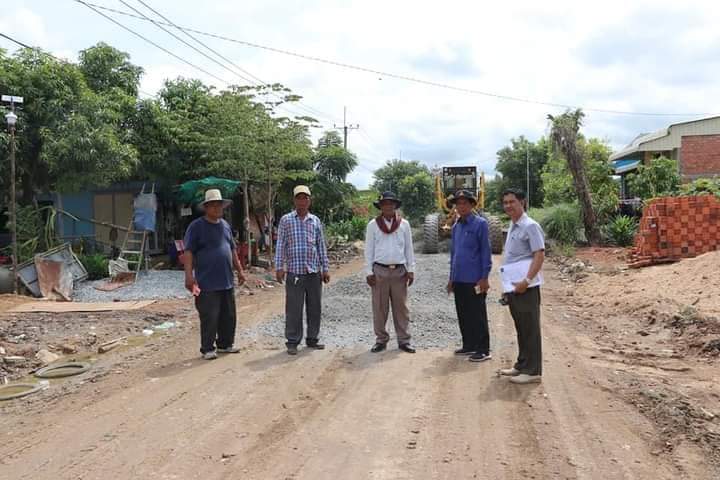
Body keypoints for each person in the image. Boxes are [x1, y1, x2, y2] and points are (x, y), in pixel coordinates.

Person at [183, 189, 246, 360]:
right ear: (206, 207)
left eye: (219, 205)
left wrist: (240, 271)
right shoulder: (196, 227)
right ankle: (207, 348)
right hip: (206, 281)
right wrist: (188, 275)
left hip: (226, 280)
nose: (217, 208)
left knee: (229, 315)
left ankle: (225, 344)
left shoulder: (225, 225)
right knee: (209, 315)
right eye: (213, 205)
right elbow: (188, 252)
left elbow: (232, 249)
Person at [274, 185, 331, 355]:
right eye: (299, 198)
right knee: (294, 309)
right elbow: (281, 244)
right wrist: (279, 267)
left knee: (314, 307)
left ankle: (312, 339)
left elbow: (320, 246)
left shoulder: (315, 221)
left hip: (313, 272)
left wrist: (325, 268)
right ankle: (292, 341)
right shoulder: (286, 220)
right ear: (294, 200)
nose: (302, 201)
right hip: (294, 272)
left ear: (309, 201)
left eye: (305, 198)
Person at [499, 188, 545, 384]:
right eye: (505, 202)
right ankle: (522, 365)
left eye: (512, 202)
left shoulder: (530, 226)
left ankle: (533, 371)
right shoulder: (513, 225)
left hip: (526, 286)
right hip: (514, 287)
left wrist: (526, 281)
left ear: (522, 202)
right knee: (521, 327)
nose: (508, 206)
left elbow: (539, 255)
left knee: (530, 328)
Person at [365, 191, 417, 353]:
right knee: (380, 308)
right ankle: (381, 340)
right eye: (384, 204)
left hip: (399, 271)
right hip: (379, 271)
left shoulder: (404, 224)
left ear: (395, 205)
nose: (387, 206)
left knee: (401, 308)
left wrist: (411, 269)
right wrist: (368, 271)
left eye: (390, 203)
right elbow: (369, 249)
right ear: (380, 206)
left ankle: (404, 340)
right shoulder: (373, 225)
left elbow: (409, 248)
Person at [446, 190, 493, 363]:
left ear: (472, 205)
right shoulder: (456, 227)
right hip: (459, 279)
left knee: (477, 315)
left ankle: (483, 349)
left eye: (465, 203)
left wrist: (484, 277)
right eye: (458, 203)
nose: (461, 206)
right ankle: (469, 344)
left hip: (475, 279)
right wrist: (451, 278)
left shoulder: (480, 224)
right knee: (463, 313)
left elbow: (485, 251)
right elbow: (454, 254)